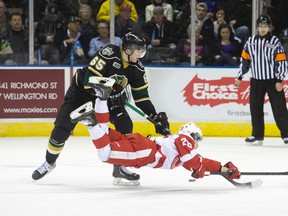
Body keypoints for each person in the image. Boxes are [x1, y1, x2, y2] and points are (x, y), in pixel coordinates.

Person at [32, 32, 170, 186]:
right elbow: (88, 80)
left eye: (141, 50)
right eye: (138, 50)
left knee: (125, 124)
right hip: (82, 93)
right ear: (128, 49)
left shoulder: (137, 68)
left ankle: (120, 167)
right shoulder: (109, 53)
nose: (140, 54)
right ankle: (49, 163)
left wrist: (154, 117)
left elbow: (142, 98)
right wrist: (109, 93)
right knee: (61, 130)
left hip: (107, 99)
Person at [69, 76, 241, 185]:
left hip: (143, 148)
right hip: (145, 151)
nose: (197, 144)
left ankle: (101, 97)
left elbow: (200, 162)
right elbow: (193, 161)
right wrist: (197, 168)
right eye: (197, 139)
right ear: (192, 134)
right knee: (104, 154)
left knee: (104, 131)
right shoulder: (185, 139)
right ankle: (92, 118)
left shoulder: (180, 144)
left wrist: (224, 169)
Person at [235, 15, 288, 145]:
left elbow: (281, 61)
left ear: (269, 27)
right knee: (255, 108)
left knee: (279, 108)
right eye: (261, 25)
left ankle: (286, 134)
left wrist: (279, 79)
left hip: (272, 80)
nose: (263, 28)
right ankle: (257, 135)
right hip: (256, 81)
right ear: (257, 26)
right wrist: (240, 76)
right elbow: (245, 60)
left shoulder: (275, 41)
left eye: (265, 26)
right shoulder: (251, 41)